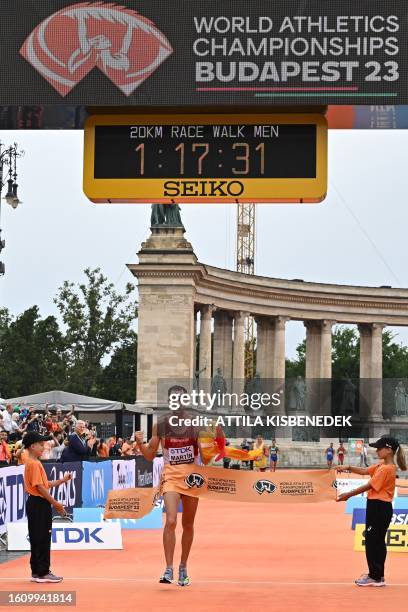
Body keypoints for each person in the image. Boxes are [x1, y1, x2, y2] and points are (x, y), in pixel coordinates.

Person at [135, 385, 206, 587]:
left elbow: (207, 457)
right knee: (172, 521)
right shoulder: (161, 425)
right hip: (171, 477)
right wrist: (140, 444)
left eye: (181, 399)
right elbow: (149, 455)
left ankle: (183, 566)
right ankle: (169, 568)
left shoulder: (195, 424)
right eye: (173, 399)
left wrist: (213, 444)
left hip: (192, 478)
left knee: (188, 525)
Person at [337, 436, 407, 587]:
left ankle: (374, 576)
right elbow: (364, 471)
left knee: (372, 541)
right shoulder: (383, 465)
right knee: (377, 541)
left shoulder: (387, 469)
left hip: (379, 507)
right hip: (380, 507)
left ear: (388, 450)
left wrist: (348, 495)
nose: (376, 451)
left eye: (379, 448)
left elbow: (369, 485)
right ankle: (378, 575)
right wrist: (348, 467)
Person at [23, 431, 72, 583]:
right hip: (39, 503)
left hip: (34, 503)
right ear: (32, 446)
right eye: (41, 444)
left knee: (37, 537)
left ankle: (37, 571)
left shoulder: (30, 462)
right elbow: (40, 488)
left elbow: (44, 484)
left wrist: (62, 480)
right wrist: (56, 504)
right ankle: (43, 572)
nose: (44, 447)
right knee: (43, 537)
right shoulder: (35, 464)